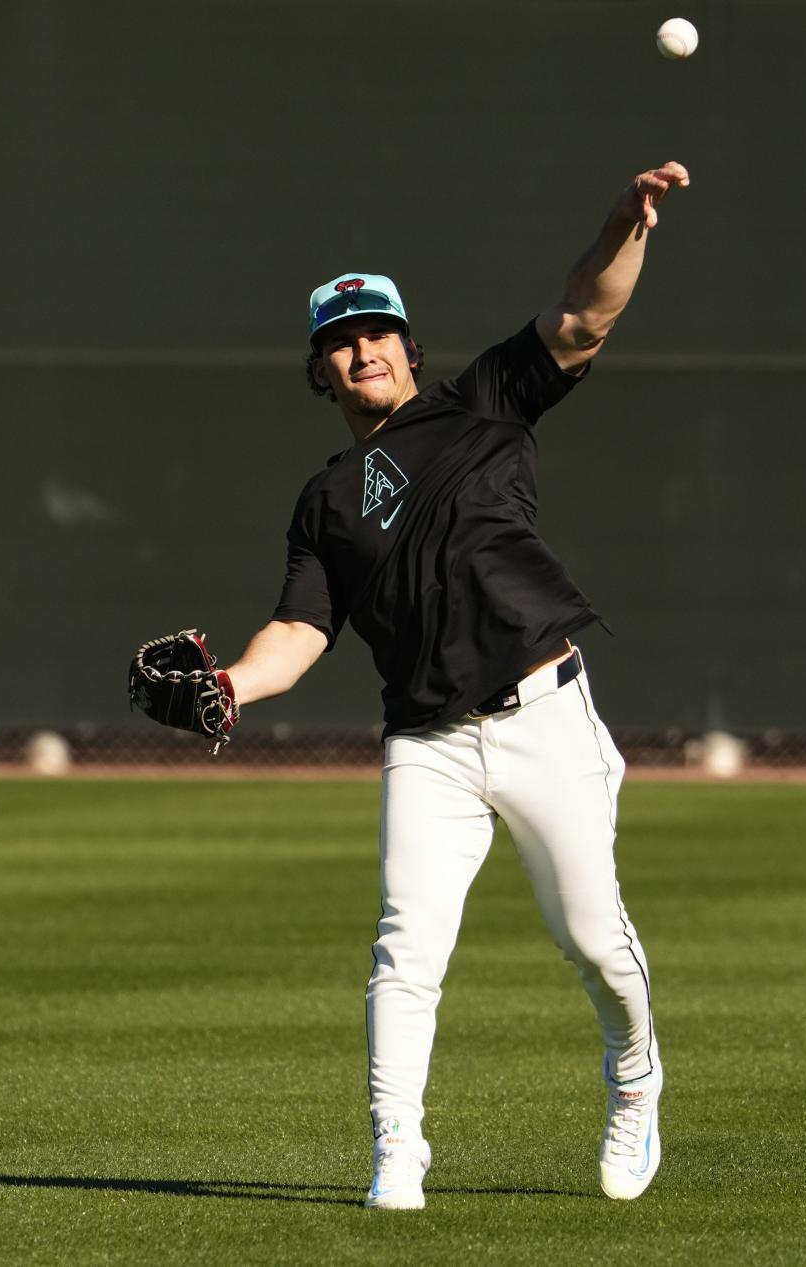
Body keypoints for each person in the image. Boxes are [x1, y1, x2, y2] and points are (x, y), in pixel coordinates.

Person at [223, 161, 690, 1210]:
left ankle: (635, 1079)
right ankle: (399, 1151)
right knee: (406, 947)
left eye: (376, 329)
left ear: (407, 344)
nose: (362, 347)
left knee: (592, 938)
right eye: (340, 341)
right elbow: (300, 629)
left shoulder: (481, 404)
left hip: (543, 713)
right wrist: (231, 686)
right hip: (428, 741)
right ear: (321, 373)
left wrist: (626, 221)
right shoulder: (325, 502)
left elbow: (580, 317)